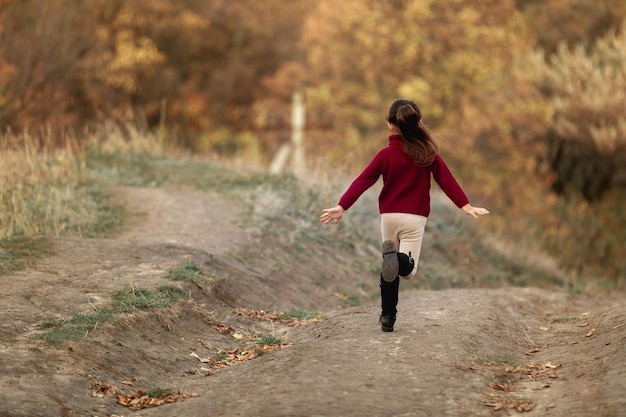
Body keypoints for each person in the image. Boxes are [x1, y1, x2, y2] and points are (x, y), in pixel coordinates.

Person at [320, 98, 489, 332]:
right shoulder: (426, 153)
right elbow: (446, 179)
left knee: (388, 272)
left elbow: (363, 181)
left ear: (390, 125)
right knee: (407, 270)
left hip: (388, 218)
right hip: (414, 219)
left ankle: (388, 317)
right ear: (418, 123)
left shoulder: (384, 155)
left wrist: (342, 206)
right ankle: (398, 259)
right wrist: (466, 205)